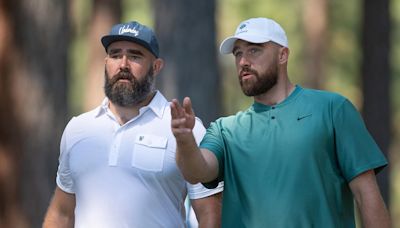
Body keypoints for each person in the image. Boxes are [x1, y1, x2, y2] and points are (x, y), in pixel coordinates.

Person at [171, 17, 391, 227]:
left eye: (254, 50)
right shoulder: (225, 130)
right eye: (238, 54)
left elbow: (366, 194)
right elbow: (197, 171)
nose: (243, 61)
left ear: (283, 55)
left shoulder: (332, 109)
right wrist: (184, 139)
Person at [43, 21, 223, 228]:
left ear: (156, 67)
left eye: (135, 56)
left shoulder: (184, 130)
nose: (123, 64)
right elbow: (62, 214)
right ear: (106, 62)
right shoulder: (78, 129)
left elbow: (210, 214)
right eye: (115, 55)